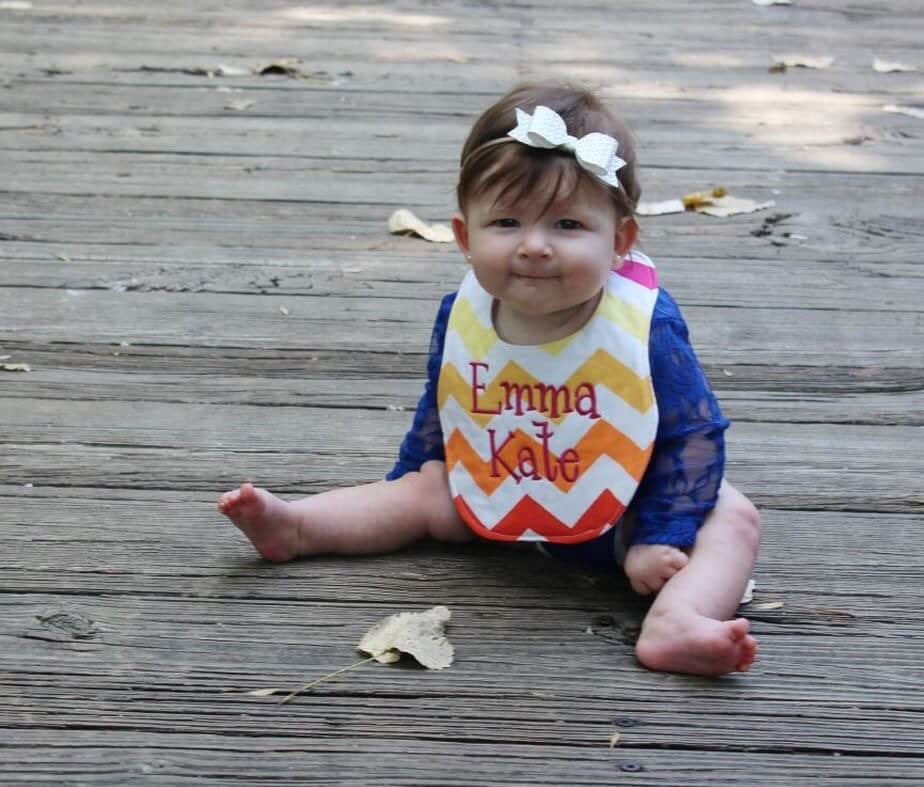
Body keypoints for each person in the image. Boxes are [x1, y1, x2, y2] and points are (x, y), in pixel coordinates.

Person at [219, 81, 761, 676]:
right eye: (505, 221)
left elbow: (695, 434)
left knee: (731, 517)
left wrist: (663, 531)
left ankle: (677, 620)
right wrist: (407, 484)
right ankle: (298, 527)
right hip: (496, 485)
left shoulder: (641, 324)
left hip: (625, 511)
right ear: (463, 235)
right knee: (425, 487)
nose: (534, 246)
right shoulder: (466, 312)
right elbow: (447, 401)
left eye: (568, 225)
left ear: (620, 240)